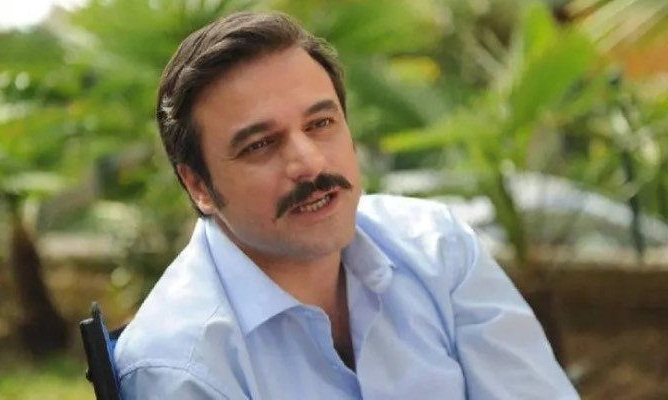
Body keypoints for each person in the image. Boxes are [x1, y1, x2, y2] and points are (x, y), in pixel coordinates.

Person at [114, 10, 578, 399]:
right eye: (259, 145)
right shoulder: (180, 366)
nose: (309, 162)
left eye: (320, 124)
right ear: (198, 185)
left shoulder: (438, 248)